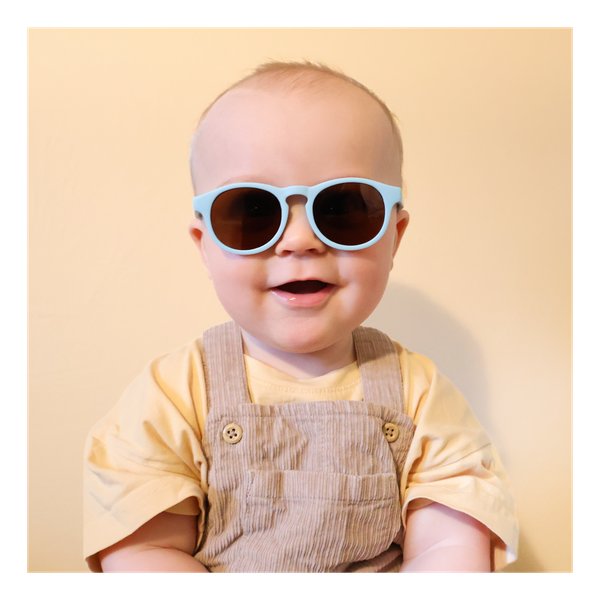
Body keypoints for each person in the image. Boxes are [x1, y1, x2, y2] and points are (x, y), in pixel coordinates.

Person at [83, 61, 518, 572]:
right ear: (205, 246)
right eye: (252, 213)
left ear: (394, 237)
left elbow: (450, 547)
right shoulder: (174, 395)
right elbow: (144, 552)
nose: (299, 240)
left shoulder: (419, 394)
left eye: (342, 210)